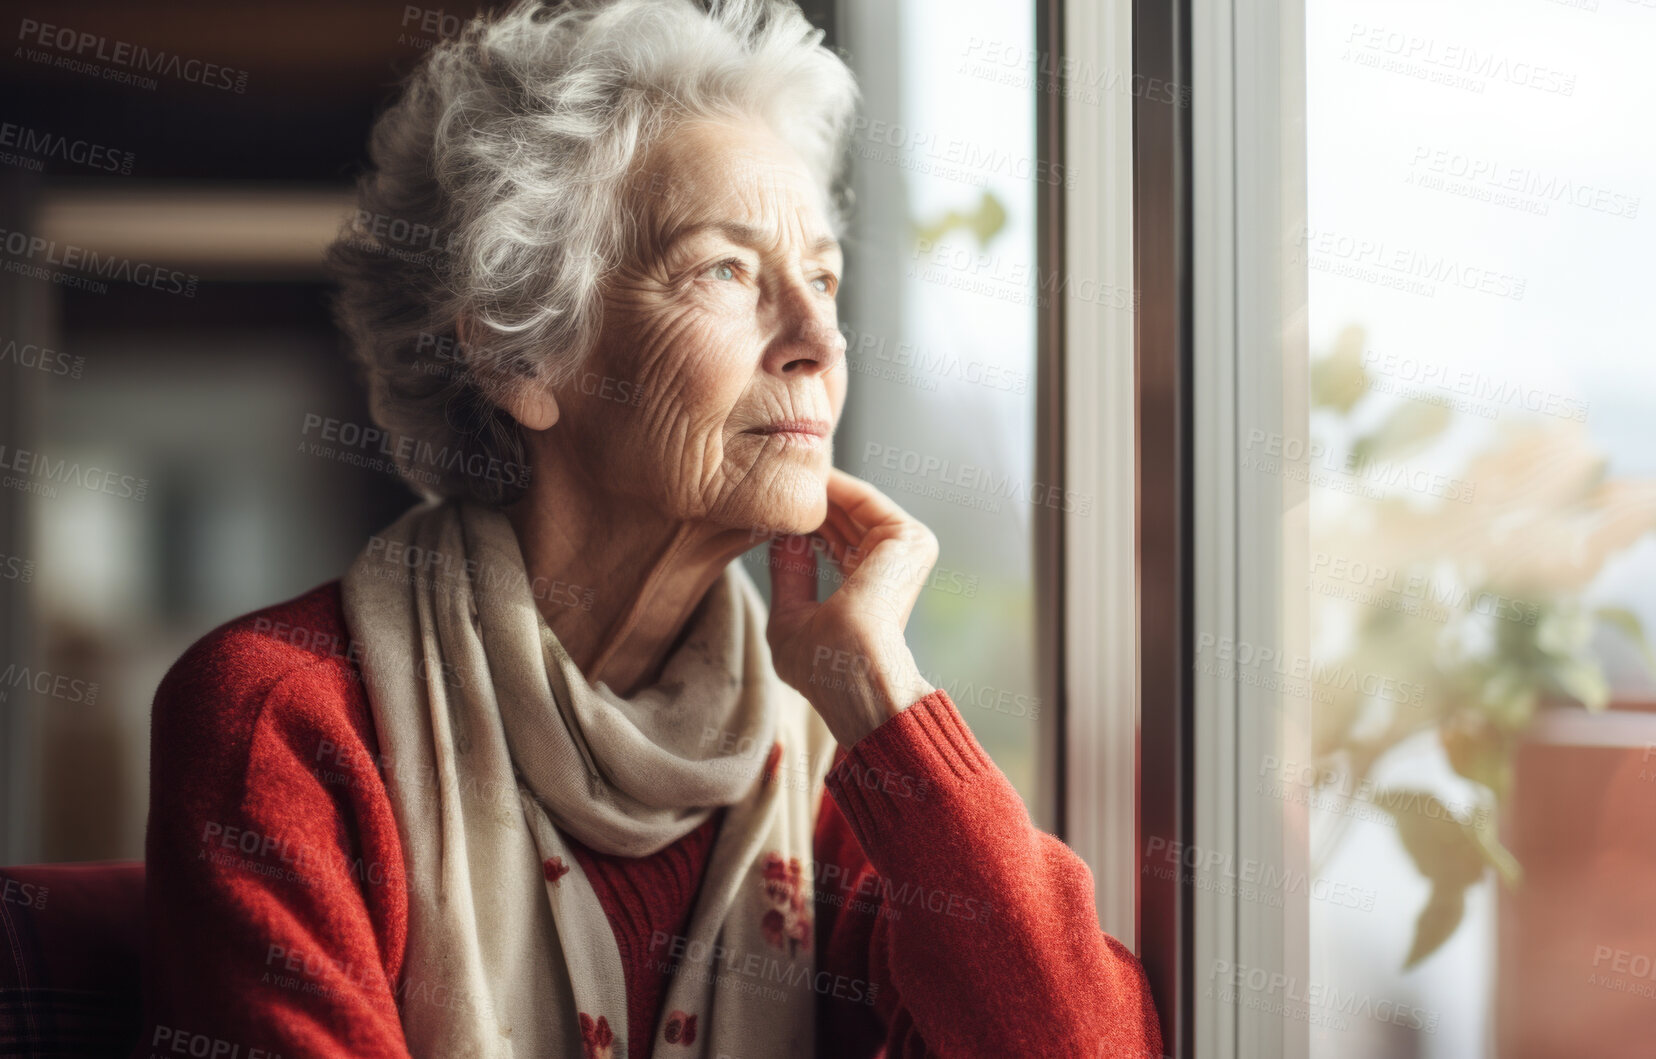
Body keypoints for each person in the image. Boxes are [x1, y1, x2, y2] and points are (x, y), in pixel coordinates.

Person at [139, 1, 1162, 1056]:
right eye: (726, 270)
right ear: (519, 356)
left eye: (822, 278)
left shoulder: (824, 765)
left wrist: (880, 693)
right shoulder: (289, 719)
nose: (817, 339)